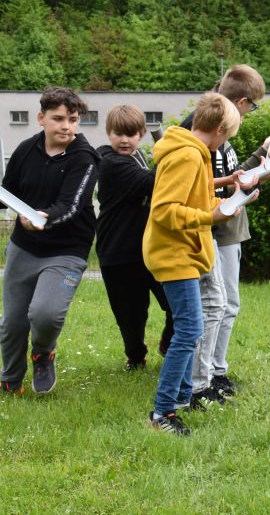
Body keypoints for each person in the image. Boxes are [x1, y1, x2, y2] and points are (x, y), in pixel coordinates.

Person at [144, 93, 250, 434]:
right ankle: (162, 413)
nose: (226, 142)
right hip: (174, 253)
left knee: (192, 327)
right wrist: (211, 216)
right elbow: (164, 210)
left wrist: (231, 200)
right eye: (228, 135)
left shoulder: (195, 152)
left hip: (186, 252)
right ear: (219, 129)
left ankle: (181, 398)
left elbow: (197, 199)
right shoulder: (188, 155)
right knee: (189, 329)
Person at [180, 64, 270, 402]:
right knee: (214, 307)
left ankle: (213, 373)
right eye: (253, 106)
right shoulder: (201, 128)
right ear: (243, 101)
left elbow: (227, 177)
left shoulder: (219, 127)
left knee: (226, 305)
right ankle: (201, 381)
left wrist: (260, 163)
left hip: (226, 224)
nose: (248, 114)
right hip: (212, 228)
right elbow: (196, 186)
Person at [0, 87, 99, 396]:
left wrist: (43, 217)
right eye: (58, 119)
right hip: (23, 246)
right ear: (41, 118)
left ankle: (43, 353)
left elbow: (71, 206)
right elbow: (8, 191)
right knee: (12, 323)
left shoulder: (85, 158)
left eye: (73, 119)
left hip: (67, 250)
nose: (66, 126)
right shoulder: (25, 150)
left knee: (45, 313)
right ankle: (10, 381)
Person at [96, 104, 174, 370]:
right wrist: (173, 150)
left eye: (131, 134)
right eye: (118, 133)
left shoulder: (137, 156)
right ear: (109, 133)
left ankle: (168, 343)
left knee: (176, 303)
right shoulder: (110, 162)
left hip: (151, 249)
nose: (124, 140)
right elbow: (155, 182)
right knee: (131, 316)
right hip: (118, 251)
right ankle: (136, 356)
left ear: (141, 134)